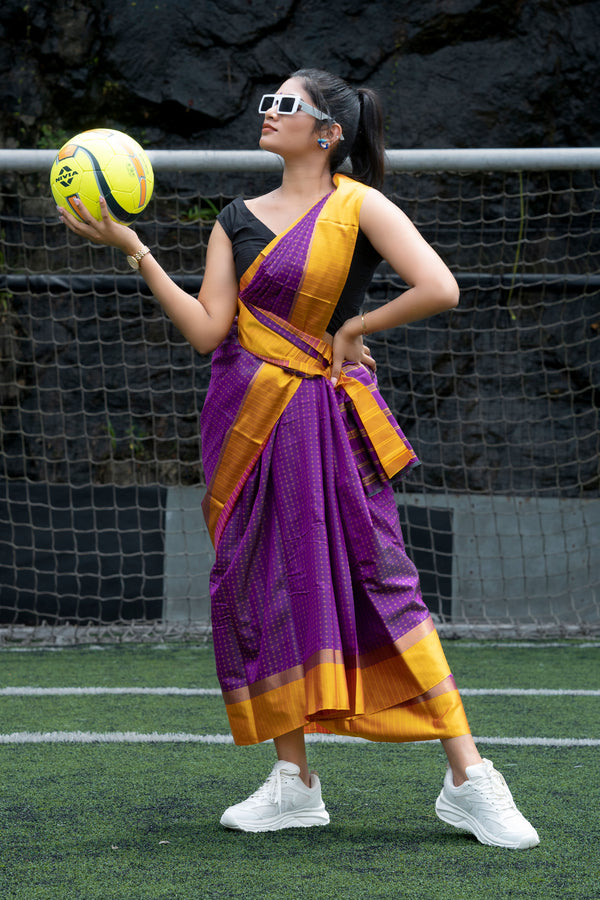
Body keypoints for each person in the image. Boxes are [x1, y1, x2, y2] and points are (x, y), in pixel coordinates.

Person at [58, 68, 539, 850]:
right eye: (268, 103)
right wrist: (134, 247)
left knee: (385, 581)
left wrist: (355, 331)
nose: (268, 114)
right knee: (257, 583)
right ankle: (295, 783)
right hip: (243, 422)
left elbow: (439, 286)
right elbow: (210, 332)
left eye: (287, 105)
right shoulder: (234, 219)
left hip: (329, 424)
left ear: (328, 131)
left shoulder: (359, 205)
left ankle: (469, 778)